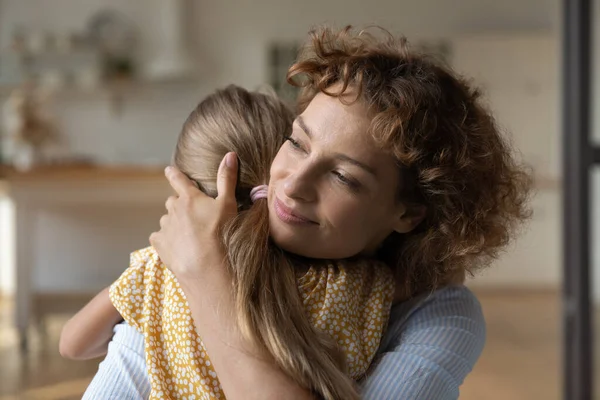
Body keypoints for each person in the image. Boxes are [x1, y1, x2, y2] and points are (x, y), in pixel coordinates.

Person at [81, 25, 531, 399]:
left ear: (409, 214)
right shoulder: (178, 275)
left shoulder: (436, 316)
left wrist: (206, 279)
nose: (292, 185)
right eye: (296, 142)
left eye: (344, 177)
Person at [60, 86, 396, 399]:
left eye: (343, 177)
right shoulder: (364, 285)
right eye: (297, 144)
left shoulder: (160, 270)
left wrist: (131, 279)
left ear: (186, 193)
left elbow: (73, 345)